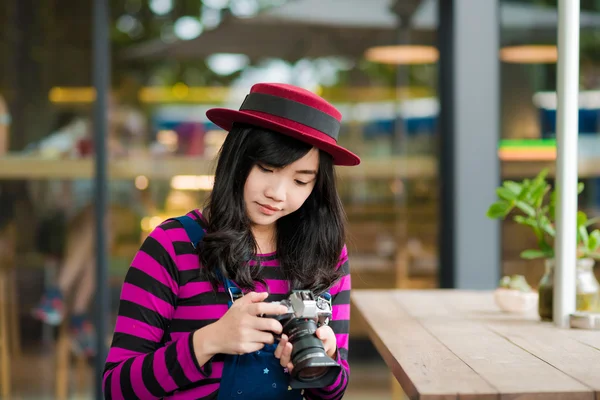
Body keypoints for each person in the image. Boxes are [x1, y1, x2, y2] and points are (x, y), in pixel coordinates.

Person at [102, 82, 360, 399]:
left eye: (300, 180)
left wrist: (325, 359)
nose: (277, 194)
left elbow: (335, 391)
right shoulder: (171, 245)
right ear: (237, 158)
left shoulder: (327, 254)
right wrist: (207, 342)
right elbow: (116, 389)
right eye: (267, 169)